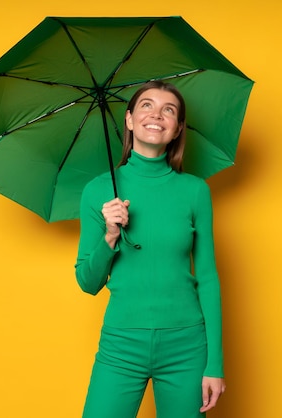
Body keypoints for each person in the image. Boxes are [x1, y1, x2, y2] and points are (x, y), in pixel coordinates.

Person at [75, 80, 225, 418]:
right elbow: (87, 282)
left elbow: (208, 277)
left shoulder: (195, 191)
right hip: (121, 344)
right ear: (129, 120)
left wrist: (214, 363)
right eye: (146, 106)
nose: (156, 114)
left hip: (187, 346)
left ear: (177, 129)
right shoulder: (98, 190)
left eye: (168, 110)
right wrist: (110, 235)